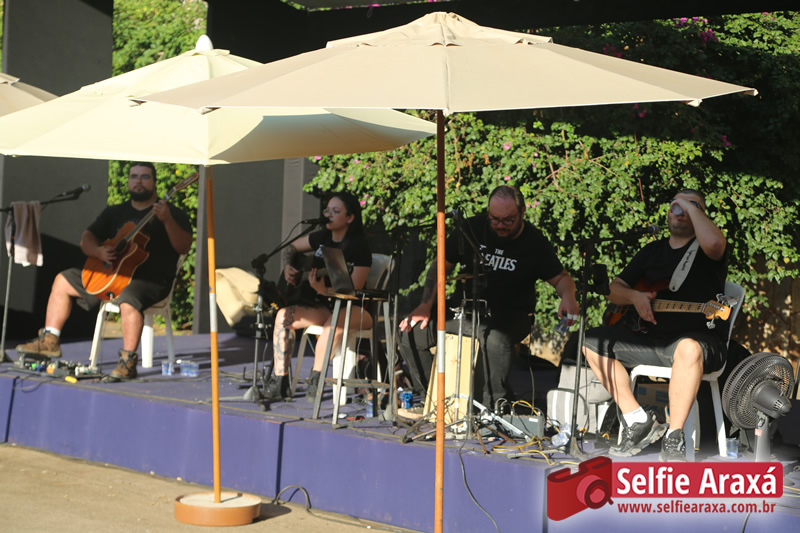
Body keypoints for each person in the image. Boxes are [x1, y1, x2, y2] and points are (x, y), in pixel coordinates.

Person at [398, 185, 580, 410]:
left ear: (522, 213)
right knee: (411, 331)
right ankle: (431, 399)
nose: (500, 225)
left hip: (511, 316)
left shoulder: (534, 242)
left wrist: (568, 297)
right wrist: (425, 305)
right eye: (494, 219)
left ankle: (493, 407)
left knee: (495, 339)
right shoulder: (471, 229)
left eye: (508, 220)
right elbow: (439, 266)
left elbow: (561, 278)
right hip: (466, 311)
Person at [582, 188, 728, 461]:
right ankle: (636, 419)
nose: (681, 211)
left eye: (691, 206)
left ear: (701, 214)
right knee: (592, 342)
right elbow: (614, 289)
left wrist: (689, 206)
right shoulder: (652, 251)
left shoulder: (707, 249)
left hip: (700, 342)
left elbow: (714, 243)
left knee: (688, 347)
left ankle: (674, 438)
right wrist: (635, 297)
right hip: (652, 340)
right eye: (675, 206)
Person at [16, 162, 193, 380]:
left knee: (128, 298)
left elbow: (184, 246)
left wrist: (167, 220)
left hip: (151, 279)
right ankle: (50, 340)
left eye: (145, 177)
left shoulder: (171, 213)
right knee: (62, 280)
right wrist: (98, 251)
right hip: (113, 274)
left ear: (155, 182)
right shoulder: (116, 211)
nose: (138, 181)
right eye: (134, 176)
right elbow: (87, 238)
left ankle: (128, 361)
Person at [265, 191, 373, 402]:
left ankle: (316, 380)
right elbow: (292, 247)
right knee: (283, 316)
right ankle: (280, 381)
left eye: (335, 211)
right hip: (324, 306)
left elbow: (354, 290)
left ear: (350, 217)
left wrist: (323, 291)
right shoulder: (321, 238)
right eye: (327, 210)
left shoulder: (358, 246)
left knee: (334, 324)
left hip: (356, 309)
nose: (328, 215)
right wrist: (288, 266)